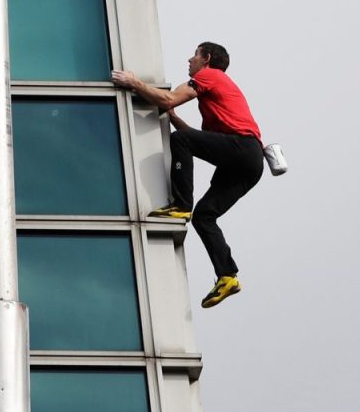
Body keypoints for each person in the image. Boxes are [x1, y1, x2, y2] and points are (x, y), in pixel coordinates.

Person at [112, 42, 263, 308]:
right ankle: (227, 276)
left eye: (195, 54)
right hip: (248, 163)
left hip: (243, 149)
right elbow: (192, 134)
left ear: (206, 58)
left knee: (180, 140)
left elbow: (171, 101)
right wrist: (170, 115)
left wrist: (134, 83)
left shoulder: (209, 75)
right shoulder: (217, 93)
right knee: (204, 216)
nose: (189, 59)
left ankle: (181, 205)